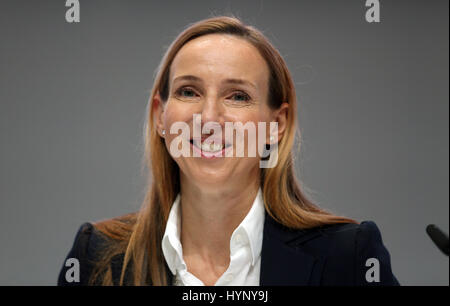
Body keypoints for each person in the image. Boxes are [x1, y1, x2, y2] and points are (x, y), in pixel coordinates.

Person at [57, 15, 400, 286]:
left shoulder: (348, 259)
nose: (209, 118)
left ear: (276, 124)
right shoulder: (95, 256)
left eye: (237, 96)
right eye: (189, 91)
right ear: (160, 116)